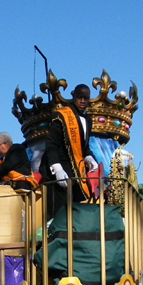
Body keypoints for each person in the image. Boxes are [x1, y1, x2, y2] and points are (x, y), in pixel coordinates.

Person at [42, 84, 99, 215]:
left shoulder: (88, 120)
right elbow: (51, 144)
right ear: (73, 97)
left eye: (86, 98)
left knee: (80, 210)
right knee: (60, 212)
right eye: (80, 97)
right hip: (60, 172)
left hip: (78, 173)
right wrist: (57, 169)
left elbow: (84, 147)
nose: (83, 101)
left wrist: (89, 157)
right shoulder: (61, 116)